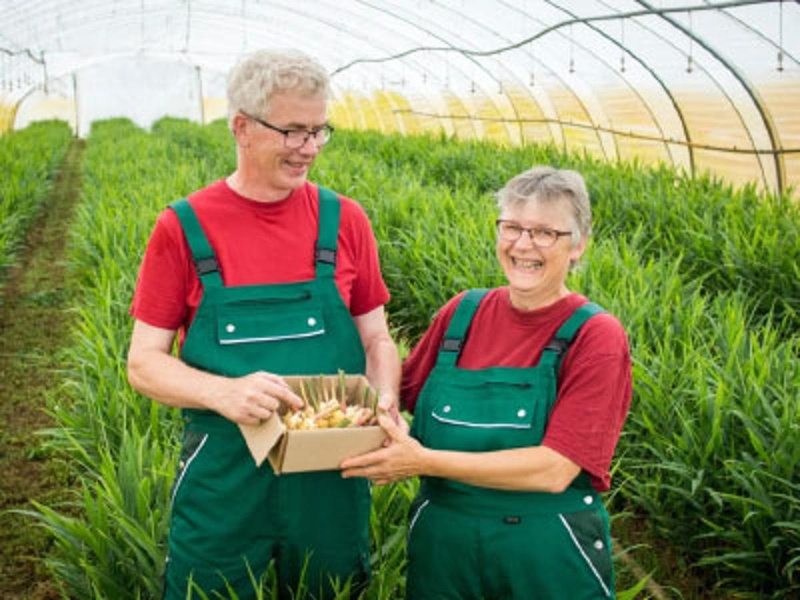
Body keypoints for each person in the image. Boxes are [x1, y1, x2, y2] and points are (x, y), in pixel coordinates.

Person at [126, 49, 401, 600]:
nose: (309, 148)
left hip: (332, 468)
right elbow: (144, 363)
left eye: (320, 130)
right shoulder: (184, 226)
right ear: (242, 128)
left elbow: (376, 337)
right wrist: (223, 391)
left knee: (334, 589)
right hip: (226, 470)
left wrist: (384, 399)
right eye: (294, 131)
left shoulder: (345, 219)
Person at [341, 166, 632, 600]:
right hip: (445, 549)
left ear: (578, 245)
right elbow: (399, 393)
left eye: (545, 233)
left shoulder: (594, 335)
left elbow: (556, 469)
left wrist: (423, 461)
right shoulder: (464, 313)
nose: (523, 244)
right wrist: (363, 401)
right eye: (512, 227)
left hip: (544, 551)